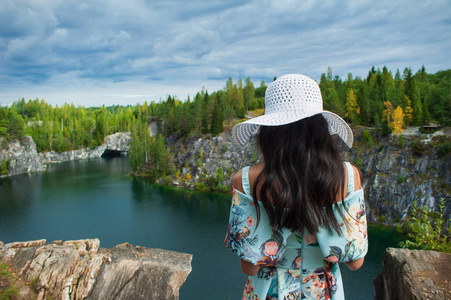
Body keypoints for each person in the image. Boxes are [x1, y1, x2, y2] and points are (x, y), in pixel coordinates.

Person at [224, 74, 368, 299]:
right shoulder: (348, 176)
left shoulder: (246, 180)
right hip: (322, 291)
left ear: (269, 131)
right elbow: (356, 262)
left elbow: (250, 267)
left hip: (267, 291)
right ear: (321, 128)